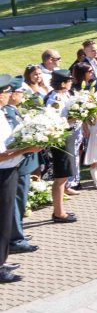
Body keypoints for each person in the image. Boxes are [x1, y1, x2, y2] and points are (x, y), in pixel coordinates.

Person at [0, 75, 43, 284]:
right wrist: (28, 148)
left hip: (10, 170)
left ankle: (2, 260)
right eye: (7, 92)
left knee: (5, 220)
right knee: (2, 221)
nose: (10, 95)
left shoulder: (2, 113)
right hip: (3, 173)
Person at [46, 70, 80, 220]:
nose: (71, 82)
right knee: (61, 176)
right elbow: (53, 123)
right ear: (62, 83)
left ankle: (59, 210)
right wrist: (71, 120)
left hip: (69, 136)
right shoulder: (55, 100)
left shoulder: (66, 95)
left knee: (64, 175)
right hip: (61, 138)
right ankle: (59, 213)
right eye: (68, 80)